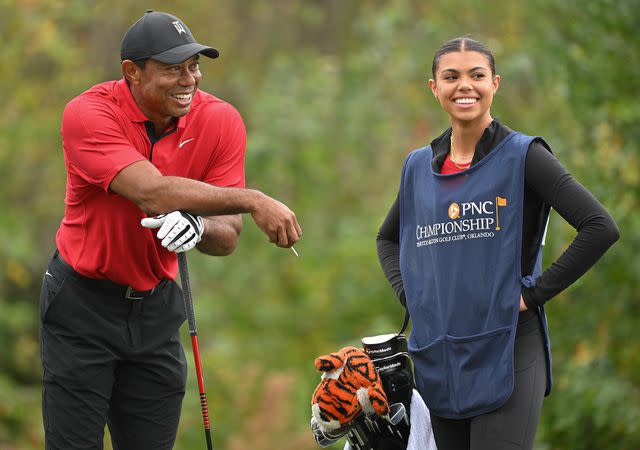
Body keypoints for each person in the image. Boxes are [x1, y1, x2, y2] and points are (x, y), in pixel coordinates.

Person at [39, 10, 301, 450]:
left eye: (194, 66)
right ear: (132, 73)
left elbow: (228, 236)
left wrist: (198, 226)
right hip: (81, 306)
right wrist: (255, 198)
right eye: (172, 69)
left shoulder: (219, 121)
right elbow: (153, 193)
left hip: (157, 310)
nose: (189, 80)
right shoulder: (88, 113)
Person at [376, 37, 618, 450]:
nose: (464, 86)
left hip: (509, 347)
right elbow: (387, 238)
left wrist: (532, 294)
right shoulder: (418, 167)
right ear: (434, 87)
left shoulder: (524, 155)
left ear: (495, 84)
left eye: (477, 75)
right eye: (451, 76)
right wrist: (411, 295)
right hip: (441, 353)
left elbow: (599, 226)